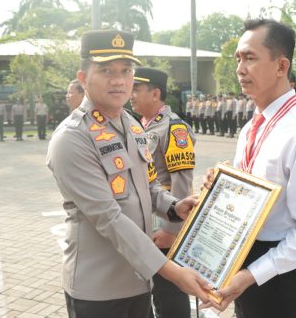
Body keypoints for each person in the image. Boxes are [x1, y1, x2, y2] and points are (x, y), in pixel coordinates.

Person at [46, 29, 210, 318]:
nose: (119, 79)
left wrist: (174, 206)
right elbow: (108, 217)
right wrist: (171, 271)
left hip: (139, 281)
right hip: (100, 290)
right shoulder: (72, 138)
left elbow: (148, 186)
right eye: (106, 70)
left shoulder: (132, 126)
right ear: (83, 79)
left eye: (126, 70)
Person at [202, 18, 296, 318]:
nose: (239, 68)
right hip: (247, 265)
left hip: (285, 279)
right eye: (238, 58)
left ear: (281, 66)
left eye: (250, 58)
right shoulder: (252, 127)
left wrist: (253, 274)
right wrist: (222, 188)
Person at [130, 67, 196, 318]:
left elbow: (182, 181)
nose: (131, 94)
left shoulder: (174, 127)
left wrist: (171, 230)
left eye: (137, 89)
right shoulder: (140, 125)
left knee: (169, 291)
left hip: (165, 220)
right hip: (147, 216)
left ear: (155, 93)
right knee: (152, 285)